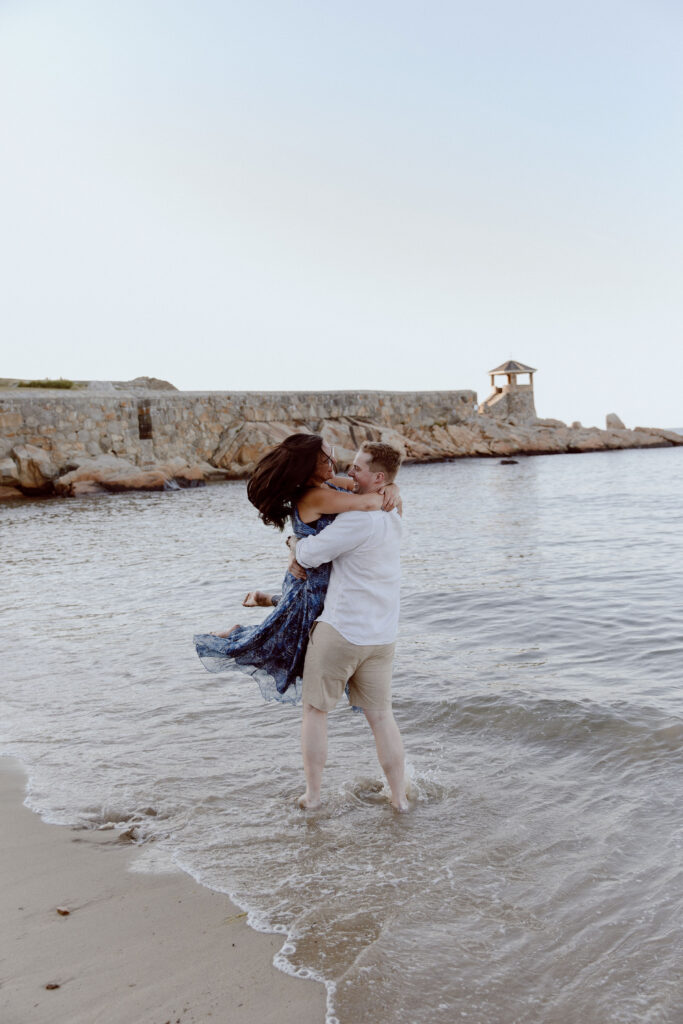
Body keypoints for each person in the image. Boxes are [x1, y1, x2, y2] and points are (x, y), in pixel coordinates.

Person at [193, 433, 400, 703]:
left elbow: (372, 492)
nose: (335, 460)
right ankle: (235, 633)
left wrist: (393, 487)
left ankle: (263, 599)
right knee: (277, 644)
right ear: (310, 466)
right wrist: (389, 491)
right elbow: (370, 502)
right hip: (310, 581)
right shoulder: (314, 495)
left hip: (318, 577)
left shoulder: (327, 483)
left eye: (331, 452)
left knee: (293, 626)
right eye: (327, 457)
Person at [290, 442, 408, 812]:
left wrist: (294, 541)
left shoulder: (357, 518)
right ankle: (400, 799)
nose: (348, 472)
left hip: (342, 630)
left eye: (357, 468)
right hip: (382, 635)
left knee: (315, 712)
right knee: (382, 718)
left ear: (378, 478)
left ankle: (312, 797)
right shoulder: (394, 514)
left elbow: (309, 555)